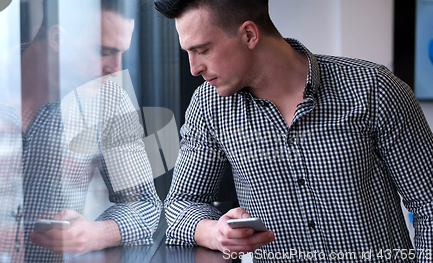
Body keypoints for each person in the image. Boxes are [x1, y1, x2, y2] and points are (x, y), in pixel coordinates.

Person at [154, 0, 433, 261]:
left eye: (202, 50)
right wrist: (215, 233)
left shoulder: (373, 89)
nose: (194, 68)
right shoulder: (210, 107)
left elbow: (428, 203)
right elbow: (181, 205)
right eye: (188, 52)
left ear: (249, 35)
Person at [21, 0, 161, 262]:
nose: (116, 69)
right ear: (57, 39)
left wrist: (96, 233)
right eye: (104, 51)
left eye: (121, 53)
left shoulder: (108, 99)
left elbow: (144, 206)